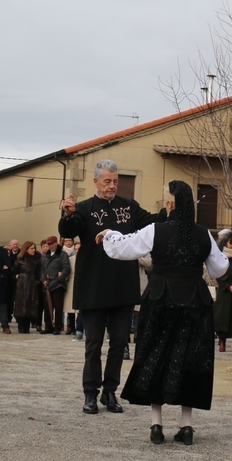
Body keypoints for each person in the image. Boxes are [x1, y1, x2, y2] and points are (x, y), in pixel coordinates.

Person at [101, 180, 229, 445]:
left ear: (170, 204)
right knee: (191, 358)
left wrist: (110, 232)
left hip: (161, 298)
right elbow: (218, 269)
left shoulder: (155, 230)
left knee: (154, 353)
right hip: (195, 301)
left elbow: (120, 249)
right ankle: (186, 425)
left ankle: (156, 424)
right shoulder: (203, 233)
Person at [59, 159, 162, 415]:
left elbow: (151, 224)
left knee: (119, 343)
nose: (112, 186)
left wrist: (170, 211)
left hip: (122, 287)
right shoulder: (83, 208)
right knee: (93, 344)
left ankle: (110, 392)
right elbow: (68, 230)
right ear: (96, 181)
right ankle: (90, 394)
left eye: (115, 181)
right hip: (93, 287)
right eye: (107, 181)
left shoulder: (128, 207)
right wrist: (67, 213)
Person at [40, 236, 71, 335]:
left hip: (57, 285)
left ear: (56, 243)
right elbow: (41, 270)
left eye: (52, 244)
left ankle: (57, 327)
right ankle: (48, 326)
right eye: (49, 244)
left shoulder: (62, 255)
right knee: (47, 307)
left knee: (58, 308)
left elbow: (66, 269)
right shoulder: (45, 256)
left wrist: (59, 279)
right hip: (47, 284)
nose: (50, 246)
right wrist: (43, 280)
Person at [12, 241, 43, 333]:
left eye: (34, 248)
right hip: (22, 284)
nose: (33, 250)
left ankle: (27, 326)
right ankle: (21, 326)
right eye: (31, 248)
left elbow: (39, 271)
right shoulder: (20, 259)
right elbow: (13, 270)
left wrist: (38, 281)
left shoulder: (37, 259)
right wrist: (16, 276)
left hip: (33, 284)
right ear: (26, 249)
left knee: (31, 304)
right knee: (21, 304)